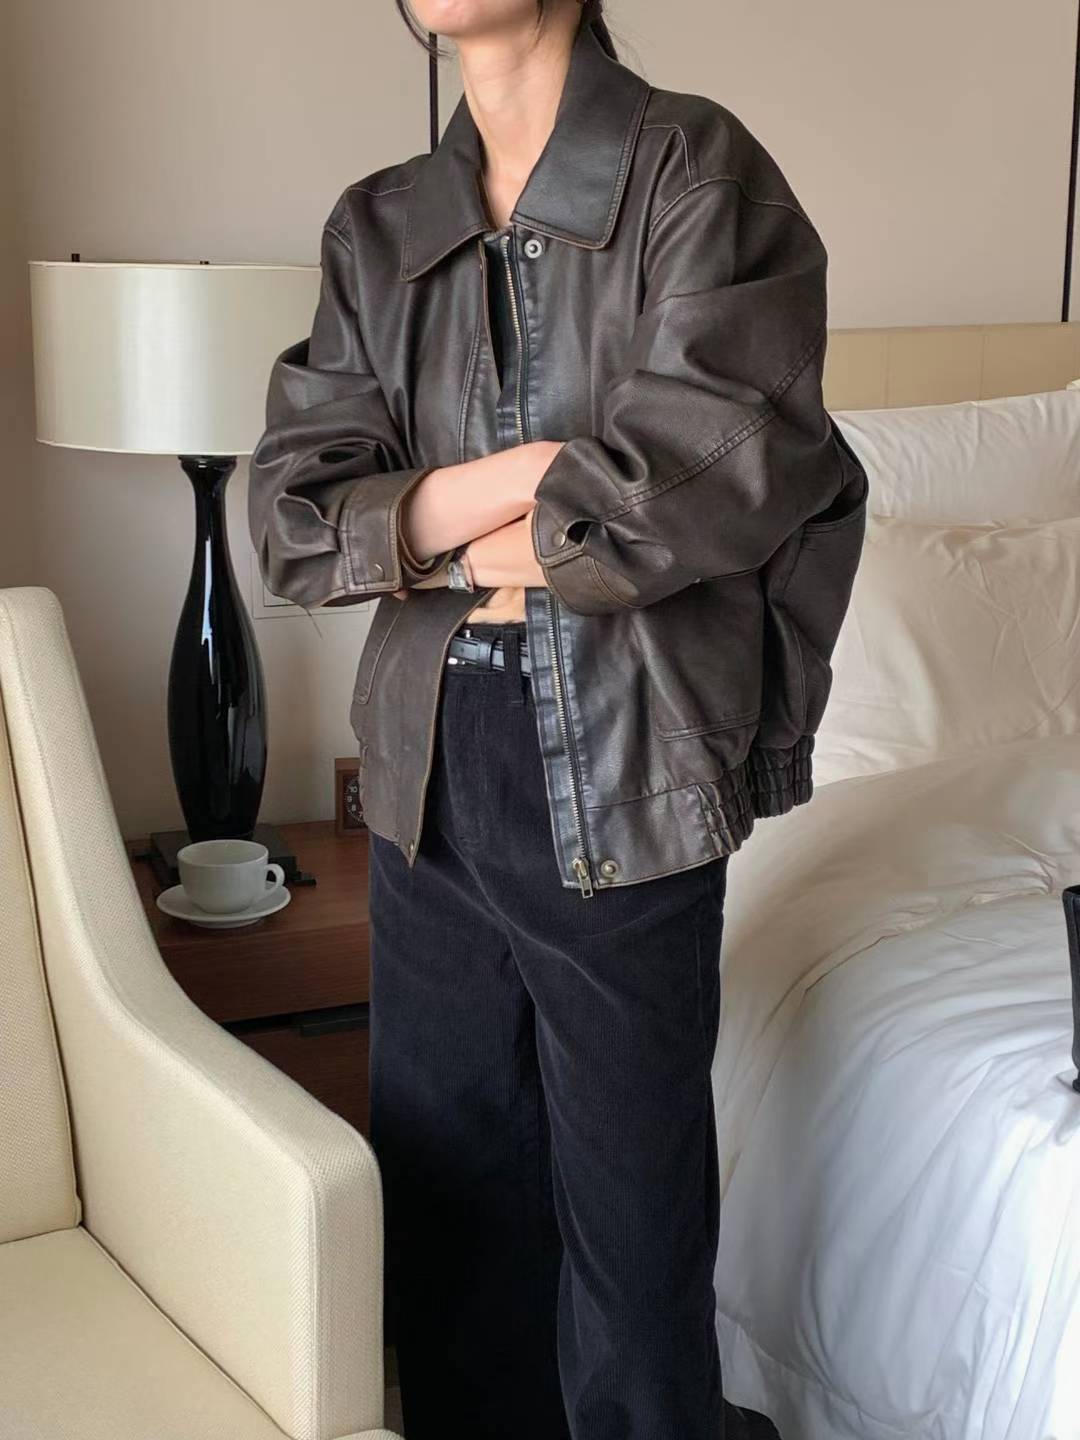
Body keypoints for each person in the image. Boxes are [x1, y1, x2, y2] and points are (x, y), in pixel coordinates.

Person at [247, 2, 869, 1436]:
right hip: (422, 760)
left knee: (630, 1240)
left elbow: (695, 481)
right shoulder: (378, 225)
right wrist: (525, 475)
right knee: (451, 1215)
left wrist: (414, 531)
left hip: (626, 746)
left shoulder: (698, 175)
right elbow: (291, 519)